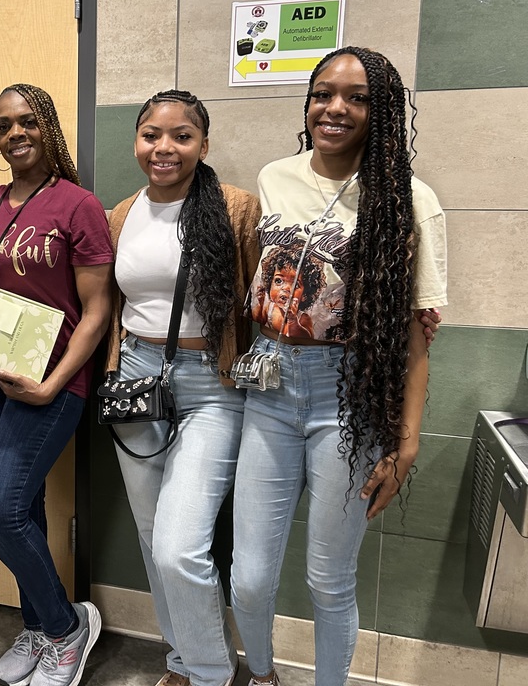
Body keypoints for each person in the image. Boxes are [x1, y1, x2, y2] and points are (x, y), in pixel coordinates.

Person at [230, 47, 448, 686]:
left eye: (357, 97)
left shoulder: (410, 199)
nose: (336, 108)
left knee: (328, 578)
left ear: (380, 111)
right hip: (268, 390)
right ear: (307, 100)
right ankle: (264, 676)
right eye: (324, 92)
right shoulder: (276, 176)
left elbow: (416, 336)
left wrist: (404, 442)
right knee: (249, 576)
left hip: (349, 397)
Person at [105, 90, 261, 686]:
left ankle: (209, 672)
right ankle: (184, 659)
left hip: (212, 387)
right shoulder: (122, 213)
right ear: (137, 139)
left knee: (177, 544)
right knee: (151, 536)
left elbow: (261, 300)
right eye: (151, 134)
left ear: (203, 142)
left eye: (181, 135)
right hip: (135, 380)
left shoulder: (235, 208)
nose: (163, 148)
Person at [0, 83, 113, 686]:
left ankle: (64, 627)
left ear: (48, 125)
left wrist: (54, 384)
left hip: (51, 383)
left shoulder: (78, 206)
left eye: (27, 121)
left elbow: (98, 309)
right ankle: (37, 625)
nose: (15, 134)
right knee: (22, 505)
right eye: (4, 125)